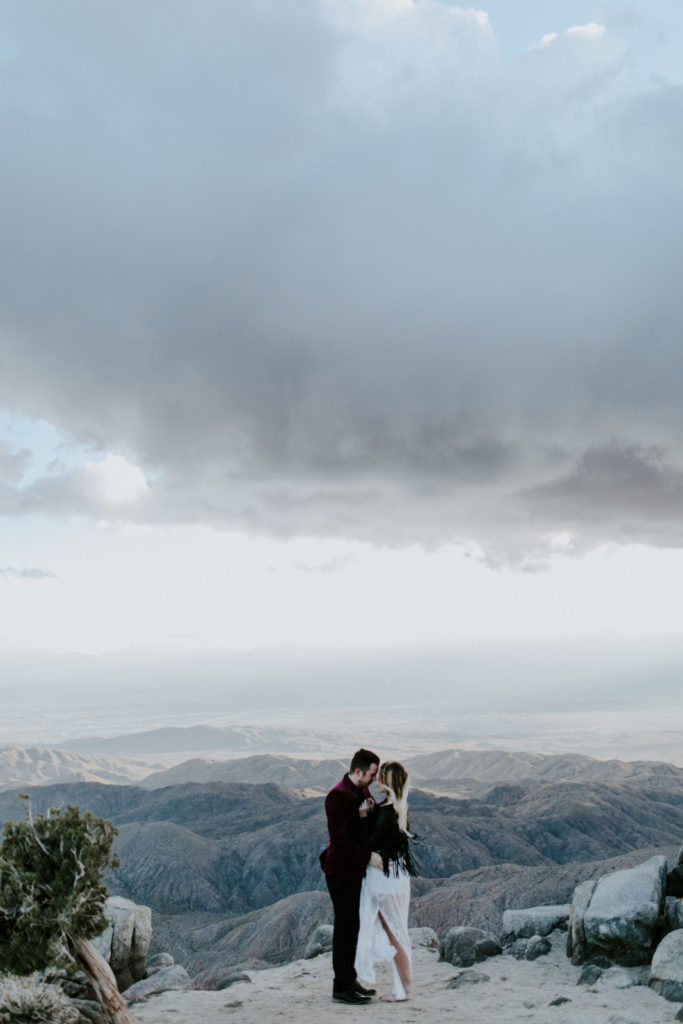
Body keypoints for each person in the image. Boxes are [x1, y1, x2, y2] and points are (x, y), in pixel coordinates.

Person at [321, 748, 382, 1005]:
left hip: (353, 870)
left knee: (352, 926)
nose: (374, 780)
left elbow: (363, 819)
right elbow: (341, 840)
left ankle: (349, 979)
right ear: (358, 771)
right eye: (372, 774)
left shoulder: (360, 791)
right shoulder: (337, 796)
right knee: (345, 929)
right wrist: (369, 857)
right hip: (340, 871)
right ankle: (341, 987)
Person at [354, 760, 417, 1002]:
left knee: (394, 933)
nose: (376, 781)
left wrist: (362, 817)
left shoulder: (388, 812)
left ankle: (406, 989)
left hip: (385, 879)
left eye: (381, 777)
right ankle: (404, 987)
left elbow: (369, 843)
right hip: (395, 876)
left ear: (388, 782)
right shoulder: (397, 808)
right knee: (397, 931)